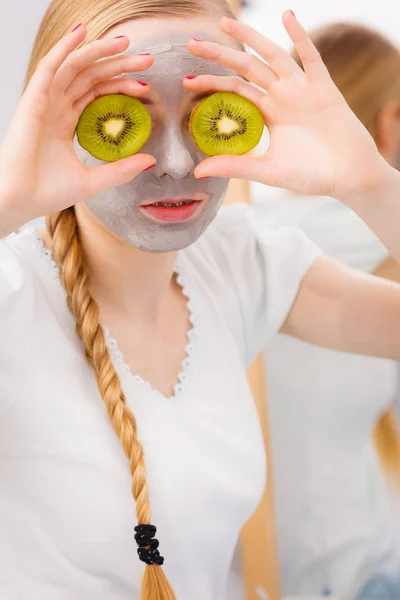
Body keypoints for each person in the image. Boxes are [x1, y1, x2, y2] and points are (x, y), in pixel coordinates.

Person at [2, 2, 400, 599]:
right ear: (56, 118)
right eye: (128, 114)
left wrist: (368, 182)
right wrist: (7, 202)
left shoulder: (237, 264)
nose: (179, 163)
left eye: (204, 115)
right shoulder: (15, 293)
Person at [249, 22, 400, 598]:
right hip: (345, 574)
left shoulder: (258, 226)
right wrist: (372, 181)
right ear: (389, 123)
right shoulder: (345, 224)